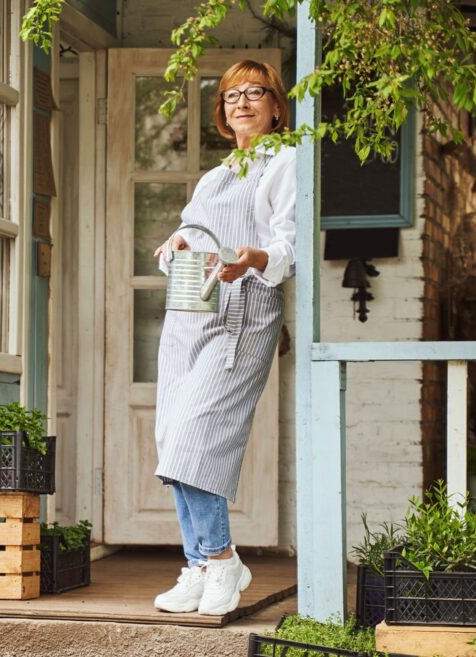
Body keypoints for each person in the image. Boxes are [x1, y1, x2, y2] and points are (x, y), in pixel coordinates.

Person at [151, 59, 296, 616]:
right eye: (232, 95)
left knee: (197, 438)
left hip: (245, 310)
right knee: (173, 440)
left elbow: (290, 243)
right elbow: (191, 231)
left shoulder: (285, 160)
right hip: (193, 311)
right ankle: (199, 564)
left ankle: (221, 557)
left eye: (255, 92)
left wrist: (259, 257)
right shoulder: (215, 177)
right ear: (223, 112)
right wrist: (176, 247)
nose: (242, 102)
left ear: (276, 106)